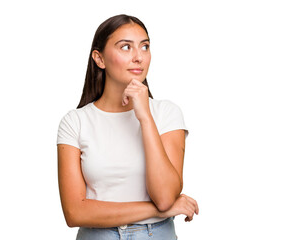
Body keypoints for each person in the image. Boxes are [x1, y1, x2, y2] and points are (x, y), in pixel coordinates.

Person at [57, 14, 199, 240]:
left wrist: (145, 117)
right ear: (99, 59)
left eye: (145, 47)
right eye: (126, 47)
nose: (139, 57)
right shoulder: (75, 122)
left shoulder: (166, 113)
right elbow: (74, 212)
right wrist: (156, 211)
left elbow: (164, 197)